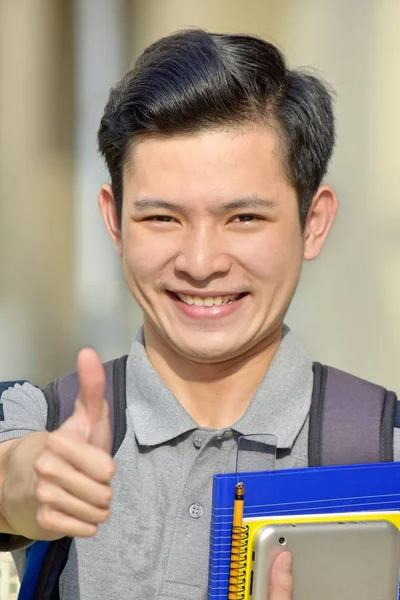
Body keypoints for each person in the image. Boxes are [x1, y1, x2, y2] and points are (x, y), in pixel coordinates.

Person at [0, 28, 386, 600]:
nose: (201, 263)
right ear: (114, 221)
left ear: (314, 222)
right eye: (162, 219)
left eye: (244, 218)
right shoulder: (40, 418)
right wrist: (29, 483)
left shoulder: (386, 448)